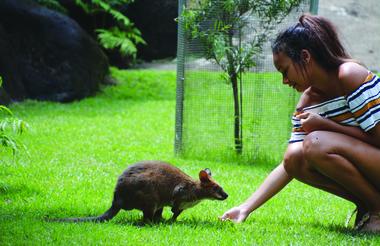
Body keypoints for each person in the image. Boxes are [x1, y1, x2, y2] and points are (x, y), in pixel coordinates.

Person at [219, 13, 380, 233]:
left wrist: (325, 126)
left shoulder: (350, 75)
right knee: (295, 157)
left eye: (285, 71)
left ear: (305, 57)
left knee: (316, 143)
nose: (285, 81)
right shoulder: (307, 103)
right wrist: (245, 208)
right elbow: (288, 165)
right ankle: (368, 204)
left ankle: (377, 210)